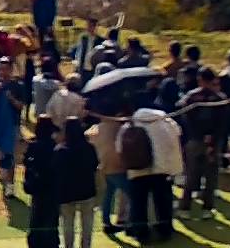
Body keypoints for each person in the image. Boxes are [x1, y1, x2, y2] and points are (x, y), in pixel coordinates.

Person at [119, 103, 183, 244]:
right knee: (163, 201)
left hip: (137, 169)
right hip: (161, 169)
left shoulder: (129, 126)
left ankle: (141, 232)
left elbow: (119, 146)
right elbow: (177, 135)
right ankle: (165, 228)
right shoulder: (165, 123)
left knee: (138, 202)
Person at [176, 66, 227, 219]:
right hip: (213, 142)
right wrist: (213, 137)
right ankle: (207, 208)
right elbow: (223, 124)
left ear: (200, 80)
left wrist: (197, 134)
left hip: (194, 141)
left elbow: (184, 117)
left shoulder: (191, 97)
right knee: (211, 175)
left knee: (191, 175)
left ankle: (185, 208)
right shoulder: (220, 99)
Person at [0, 56, 28, 198]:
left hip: (11, 126)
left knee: (10, 156)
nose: (2, 72)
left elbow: (21, 106)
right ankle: (2, 171)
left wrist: (11, 99)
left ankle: (10, 185)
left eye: (5, 69)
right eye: (0, 69)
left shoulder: (17, 86)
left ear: (11, 70)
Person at [55, 118, 100, 248]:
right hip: (87, 190)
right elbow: (94, 165)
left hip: (66, 192)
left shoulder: (60, 150)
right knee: (87, 223)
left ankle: (69, 246)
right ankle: (86, 246)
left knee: (68, 223)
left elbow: (55, 169)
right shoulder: (89, 148)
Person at [88, 106, 129, 236]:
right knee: (132, 194)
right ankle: (130, 222)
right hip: (118, 166)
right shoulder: (118, 128)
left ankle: (106, 222)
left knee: (108, 196)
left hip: (103, 166)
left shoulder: (95, 129)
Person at [24, 116, 61, 248]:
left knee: (37, 217)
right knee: (51, 219)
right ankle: (50, 242)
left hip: (37, 187)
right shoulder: (55, 147)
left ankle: (35, 242)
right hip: (52, 188)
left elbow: (26, 163)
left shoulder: (33, 146)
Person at [72, 17, 102, 82]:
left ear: (95, 27)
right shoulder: (83, 38)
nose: (89, 28)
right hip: (82, 66)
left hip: (92, 68)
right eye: (88, 25)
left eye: (91, 26)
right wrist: (77, 64)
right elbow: (79, 51)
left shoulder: (100, 40)